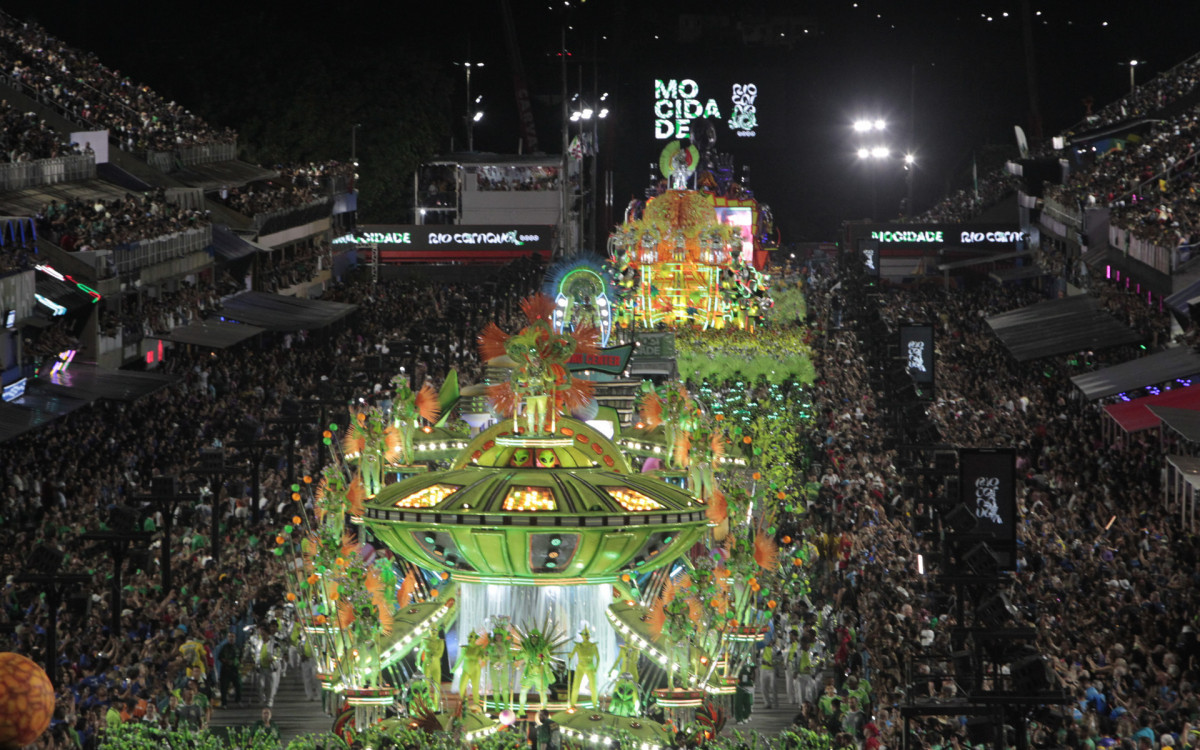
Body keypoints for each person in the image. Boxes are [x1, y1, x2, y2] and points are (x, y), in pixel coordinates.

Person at [568, 626, 600, 709]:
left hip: (590, 667)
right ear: (582, 636)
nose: (586, 636)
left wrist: (596, 668)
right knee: (576, 686)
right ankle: (572, 704)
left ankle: (595, 704)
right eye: (585, 635)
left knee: (593, 687)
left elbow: (598, 658)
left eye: (587, 635)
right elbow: (571, 655)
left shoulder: (593, 646)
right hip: (580, 667)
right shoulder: (578, 646)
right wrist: (569, 656)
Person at [215, 630, 243, 708]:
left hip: (235, 669)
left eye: (233, 637)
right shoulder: (224, 647)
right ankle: (224, 703)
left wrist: (238, 663)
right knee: (224, 687)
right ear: (227, 638)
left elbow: (240, 657)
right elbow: (220, 657)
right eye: (230, 637)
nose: (231, 638)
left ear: (235, 638)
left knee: (238, 685)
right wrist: (226, 661)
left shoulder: (238, 647)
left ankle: (238, 700)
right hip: (226, 669)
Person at [735, 660, 756, 724]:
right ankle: (739, 718)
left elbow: (753, 674)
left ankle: (745, 716)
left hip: (748, 686)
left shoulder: (749, 666)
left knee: (749, 703)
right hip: (739, 687)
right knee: (739, 704)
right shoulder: (737, 667)